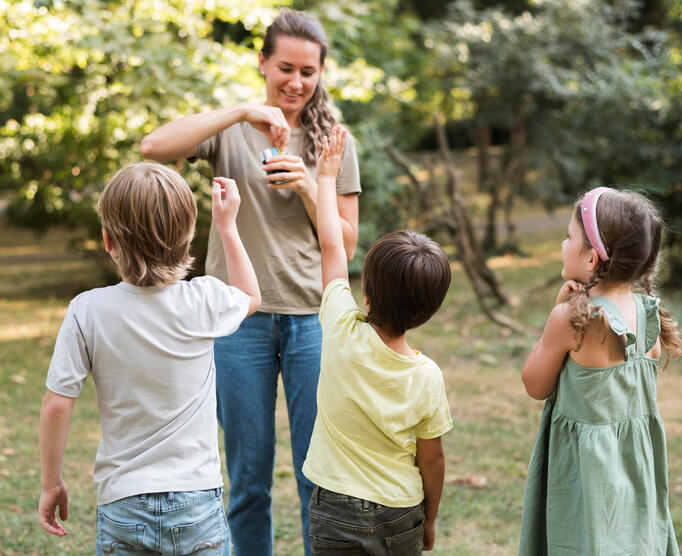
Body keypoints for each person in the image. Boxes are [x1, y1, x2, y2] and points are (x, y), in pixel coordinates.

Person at [139, 9, 360, 555]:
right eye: (285, 67)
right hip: (238, 322)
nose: (296, 82)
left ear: (321, 73)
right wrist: (240, 109)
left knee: (318, 476)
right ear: (262, 62)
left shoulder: (333, 141)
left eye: (309, 71)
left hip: (312, 319)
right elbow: (152, 148)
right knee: (248, 478)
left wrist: (312, 187)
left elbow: (348, 244)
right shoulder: (230, 130)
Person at [38, 162, 261, 556]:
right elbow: (250, 296)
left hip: (122, 501)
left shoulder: (87, 310)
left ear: (107, 239)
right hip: (197, 499)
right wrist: (227, 226)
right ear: (189, 238)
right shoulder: (203, 300)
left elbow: (57, 404)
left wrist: (50, 483)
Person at [301, 126, 453, 555]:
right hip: (401, 511)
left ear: (366, 293)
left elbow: (332, 244)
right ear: (428, 311)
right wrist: (431, 517)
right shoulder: (427, 376)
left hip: (334, 507)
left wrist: (326, 177)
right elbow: (432, 460)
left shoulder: (340, 327)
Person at [518, 187, 682, 555]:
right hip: (635, 467)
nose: (564, 243)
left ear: (592, 259)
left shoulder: (570, 320)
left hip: (585, 473)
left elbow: (534, 383)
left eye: (569, 237)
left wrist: (558, 309)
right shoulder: (648, 317)